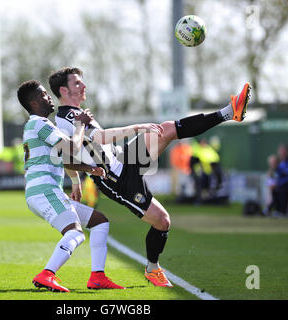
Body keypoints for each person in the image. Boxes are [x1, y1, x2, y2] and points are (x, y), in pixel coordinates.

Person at [49, 67, 252, 287]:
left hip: (124, 158)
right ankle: (152, 268)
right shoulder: (70, 117)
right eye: (77, 83)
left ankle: (229, 112)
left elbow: (71, 153)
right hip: (116, 179)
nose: (84, 85)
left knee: (166, 129)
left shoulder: (73, 115)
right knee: (162, 222)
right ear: (63, 90)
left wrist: (77, 181)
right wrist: (138, 127)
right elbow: (100, 138)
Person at [17, 80, 125, 292]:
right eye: (43, 95)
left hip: (44, 191)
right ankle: (47, 274)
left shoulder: (38, 125)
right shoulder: (40, 124)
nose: (49, 97)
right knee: (75, 233)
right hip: (45, 190)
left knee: (99, 222)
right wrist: (80, 124)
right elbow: (73, 147)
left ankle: (97, 277)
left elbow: (62, 157)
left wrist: (88, 169)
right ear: (34, 102)